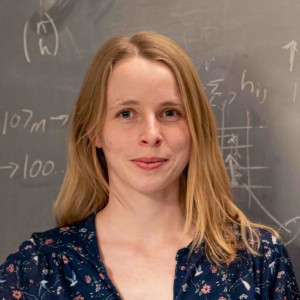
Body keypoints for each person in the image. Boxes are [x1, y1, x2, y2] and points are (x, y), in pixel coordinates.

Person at [0, 31, 299, 300]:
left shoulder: (258, 261)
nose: (151, 135)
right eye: (127, 114)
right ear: (94, 131)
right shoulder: (36, 271)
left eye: (170, 112)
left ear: (195, 128)